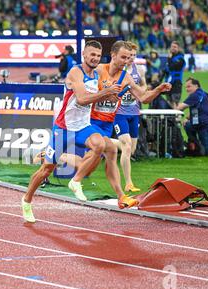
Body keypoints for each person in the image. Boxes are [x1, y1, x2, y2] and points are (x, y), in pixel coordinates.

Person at [21, 40, 122, 223]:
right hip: (64, 128)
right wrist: (105, 93)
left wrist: (111, 93)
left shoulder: (97, 73)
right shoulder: (76, 72)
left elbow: (106, 81)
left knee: (99, 145)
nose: (95, 58)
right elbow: (83, 99)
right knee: (46, 170)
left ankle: (75, 181)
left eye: (98, 56)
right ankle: (27, 200)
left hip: (83, 126)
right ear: (84, 54)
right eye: (92, 54)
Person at [85, 40, 172, 198]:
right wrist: (104, 93)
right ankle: (124, 189)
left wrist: (158, 89)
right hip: (89, 121)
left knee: (93, 162)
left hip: (109, 122)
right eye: (124, 57)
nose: (127, 61)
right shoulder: (97, 70)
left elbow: (143, 97)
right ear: (113, 55)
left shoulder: (127, 77)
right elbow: (80, 93)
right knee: (115, 149)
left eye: (129, 57)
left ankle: (121, 193)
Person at [112, 42, 147, 192]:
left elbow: (144, 86)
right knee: (126, 146)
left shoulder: (139, 70)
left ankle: (103, 142)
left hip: (134, 112)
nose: (131, 58)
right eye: (128, 56)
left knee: (130, 149)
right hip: (119, 113)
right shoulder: (120, 71)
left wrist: (138, 91)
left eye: (133, 55)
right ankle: (128, 183)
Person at [164, 41, 186, 108]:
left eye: (175, 47)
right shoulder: (170, 58)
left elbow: (172, 67)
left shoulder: (180, 59)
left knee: (176, 102)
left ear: (178, 48)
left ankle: (176, 117)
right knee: (169, 101)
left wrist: (169, 59)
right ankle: (172, 117)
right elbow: (166, 70)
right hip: (168, 82)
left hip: (176, 83)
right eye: (172, 46)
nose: (173, 48)